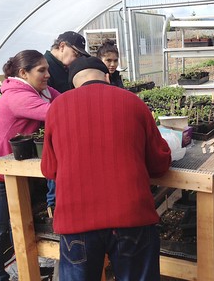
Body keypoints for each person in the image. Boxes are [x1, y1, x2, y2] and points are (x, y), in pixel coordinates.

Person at [40, 56, 171, 281]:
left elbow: (49, 169)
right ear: (108, 77)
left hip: (76, 221)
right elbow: (159, 163)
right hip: (131, 216)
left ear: (73, 83)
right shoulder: (133, 102)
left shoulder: (57, 107)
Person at [0, 50, 60, 281]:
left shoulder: (39, 91)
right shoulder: (18, 96)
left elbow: (63, 100)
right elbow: (58, 112)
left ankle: (24, 265)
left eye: (47, 69)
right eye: (41, 70)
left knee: (21, 221)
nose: (47, 75)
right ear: (24, 72)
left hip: (14, 170)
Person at [44, 31, 90, 213]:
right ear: (61, 46)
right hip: (54, 127)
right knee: (55, 173)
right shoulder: (46, 66)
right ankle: (53, 207)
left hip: (68, 125)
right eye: (76, 53)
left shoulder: (63, 67)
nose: (76, 58)